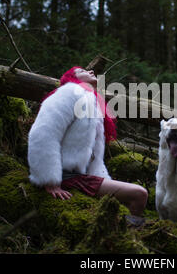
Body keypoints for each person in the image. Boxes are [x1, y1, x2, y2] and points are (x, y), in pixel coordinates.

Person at [27, 66, 148, 220]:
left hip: (79, 176)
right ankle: (130, 238)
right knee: (139, 194)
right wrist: (50, 180)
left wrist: (102, 180)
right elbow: (42, 133)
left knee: (125, 202)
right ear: (72, 78)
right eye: (82, 71)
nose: (91, 72)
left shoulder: (93, 103)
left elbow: (94, 155)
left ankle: (126, 234)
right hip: (64, 176)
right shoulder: (68, 93)